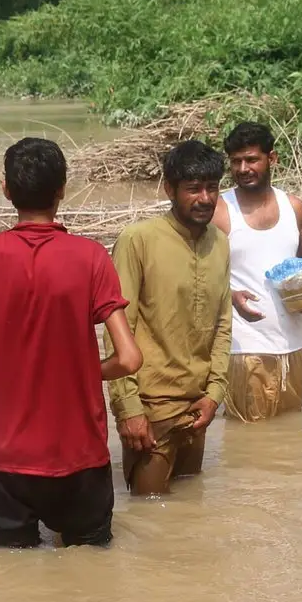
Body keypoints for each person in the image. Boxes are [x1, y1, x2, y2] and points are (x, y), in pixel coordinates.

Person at [0, 137, 143, 547]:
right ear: (62, 189)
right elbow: (130, 359)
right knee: (90, 578)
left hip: (3, 461)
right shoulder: (91, 257)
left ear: (6, 190)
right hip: (78, 457)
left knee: (12, 585)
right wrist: (82, 367)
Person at [107, 139, 231, 496]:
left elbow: (223, 322)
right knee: (149, 517)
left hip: (199, 407)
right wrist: (128, 408)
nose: (204, 199)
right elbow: (117, 329)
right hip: (150, 408)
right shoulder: (137, 240)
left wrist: (215, 394)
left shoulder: (220, 242)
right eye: (193, 189)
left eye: (212, 189)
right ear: (169, 189)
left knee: (188, 513)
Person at [212, 121, 302, 423]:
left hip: (294, 345)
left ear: (272, 159)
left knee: (291, 432)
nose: (243, 168)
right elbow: (197, 273)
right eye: (236, 161)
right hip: (243, 348)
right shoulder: (220, 210)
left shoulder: (294, 207)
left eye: (251, 159)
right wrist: (230, 295)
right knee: (250, 436)